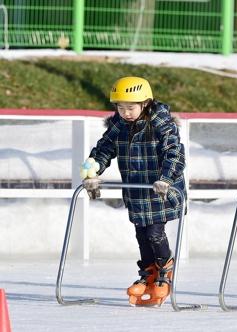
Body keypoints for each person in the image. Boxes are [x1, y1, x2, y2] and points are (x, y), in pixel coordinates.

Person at [81, 76, 186, 307]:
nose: (125, 112)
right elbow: (104, 149)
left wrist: (166, 179)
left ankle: (165, 270)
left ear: (145, 104)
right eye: (120, 107)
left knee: (154, 234)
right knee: (141, 235)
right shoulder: (119, 125)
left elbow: (175, 154)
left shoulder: (161, 122)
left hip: (161, 190)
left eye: (131, 107)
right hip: (137, 191)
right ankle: (148, 272)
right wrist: (94, 169)